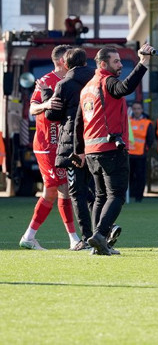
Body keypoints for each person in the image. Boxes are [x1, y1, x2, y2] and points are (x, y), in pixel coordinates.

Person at [75, 44, 155, 255]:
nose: (120, 65)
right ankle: (101, 235)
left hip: (92, 150)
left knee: (101, 197)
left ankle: (98, 245)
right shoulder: (107, 81)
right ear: (103, 64)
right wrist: (143, 62)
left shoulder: (87, 88)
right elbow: (125, 88)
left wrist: (79, 150)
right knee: (116, 195)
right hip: (110, 148)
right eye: (116, 61)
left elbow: (78, 122)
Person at [19, 44, 77, 251]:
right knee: (63, 189)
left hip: (61, 144)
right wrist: (47, 104)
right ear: (62, 60)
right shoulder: (46, 80)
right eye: (69, 56)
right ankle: (74, 239)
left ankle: (29, 236)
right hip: (47, 145)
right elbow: (33, 108)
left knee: (52, 192)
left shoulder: (70, 80)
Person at [43, 47, 96, 250]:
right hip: (96, 142)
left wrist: (47, 95)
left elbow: (53, 115)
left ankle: (88, 237)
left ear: (66, 64)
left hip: (72, 145)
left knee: (77, 193)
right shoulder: (97, 80)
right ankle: (104, 230)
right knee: (97, 191)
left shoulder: (64, 84)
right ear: (85, 62)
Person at [127, 101, 154, 203]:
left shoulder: (147, 123)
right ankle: (128, 196)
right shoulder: (128, 121)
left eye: (138, 109)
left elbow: (150, 139)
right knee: (128, 176)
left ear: (142, 110)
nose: (136, 111)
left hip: (140, 155)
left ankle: (139, 197)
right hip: (129, 154)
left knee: (140, 176)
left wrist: (145, 149)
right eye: (134, 109)